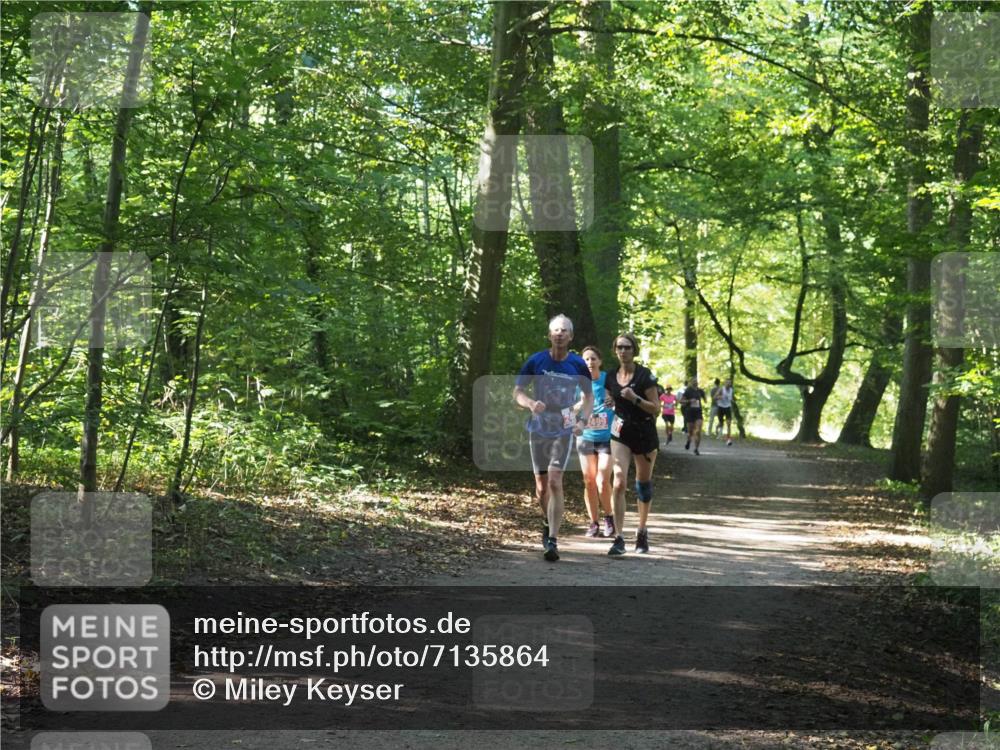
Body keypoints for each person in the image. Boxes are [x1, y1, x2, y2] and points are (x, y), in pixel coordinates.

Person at [514, 314, 593, 562]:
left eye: (564, 331)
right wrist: (529, 403)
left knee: (556, 481)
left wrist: (582, 421)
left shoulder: (578, 365)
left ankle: (553, 541)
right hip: (538, 424)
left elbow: (589, 398)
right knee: (541, 487)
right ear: (549, 335)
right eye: (555, 330)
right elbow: (517, 391)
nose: (559, 334)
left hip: (565, 421)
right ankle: (547, 522)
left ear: (571, 337)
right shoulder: (536, 361)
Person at [605, 333, 660, 556]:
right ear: (615, 350)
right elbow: (609, 395)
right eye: (619, 347)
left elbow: (655, 407)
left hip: (644, 432)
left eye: (627, 347)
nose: (623, 351)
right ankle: (619, 538)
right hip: (620, 432)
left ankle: (642, 530)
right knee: (618, 481)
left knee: (642, 485)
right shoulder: (610, 375)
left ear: (634, 350)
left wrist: (634, 398)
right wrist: (609, 400)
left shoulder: (645, 376)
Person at [574, 346, 615, 538]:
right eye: (586, 360)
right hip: (585, 437)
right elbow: (567, 411)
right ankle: (593, 522)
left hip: (607, 438)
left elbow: (621, 400)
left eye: (593, 359)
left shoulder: (609, 379)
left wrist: (613, 401)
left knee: (602, 480)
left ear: (600, 361)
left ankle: (609, 517)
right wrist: (580, 404)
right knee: (589, 481)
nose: (589, 363)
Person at [682, 377, 706, 455]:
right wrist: (689, 401)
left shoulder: (700, 391)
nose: (695, 382)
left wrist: (704, 398)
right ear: (691, 382)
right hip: (690, 413)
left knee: (698, 431)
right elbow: (681, 401)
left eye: (696, 381)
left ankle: (696, 449)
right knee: (690, 432)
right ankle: (689, 441)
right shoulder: (688, 391)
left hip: (698, 412)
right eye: (693, 381)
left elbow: (705, 399)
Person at [717, 378, 734, 446]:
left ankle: (728, 439)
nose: (728, 384)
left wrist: (732, 400)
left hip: (728, 407)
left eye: (730, 383)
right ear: (725, 383)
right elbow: (714, 397)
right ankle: (717, 429)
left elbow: (731, 398)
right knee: (721, 423)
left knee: (728, 424)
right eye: (727, 383)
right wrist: (719, 397)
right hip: (720, 407)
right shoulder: (721, 389)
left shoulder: (731, 390)